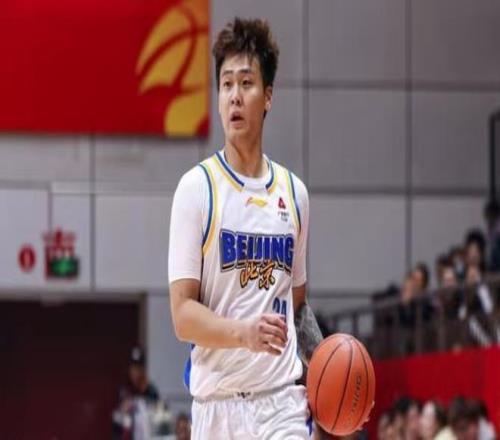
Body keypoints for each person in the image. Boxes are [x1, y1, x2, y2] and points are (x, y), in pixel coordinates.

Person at [168, 17, 344, 439]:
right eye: (226, 84)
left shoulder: (294, 194)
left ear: (267, 96)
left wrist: (331, 372)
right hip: (216, 408)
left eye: (246, 83)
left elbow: (296, 308)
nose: (234, 95)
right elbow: (182, 316)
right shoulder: (197, 189)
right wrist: (243, 333)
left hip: (280, 404)